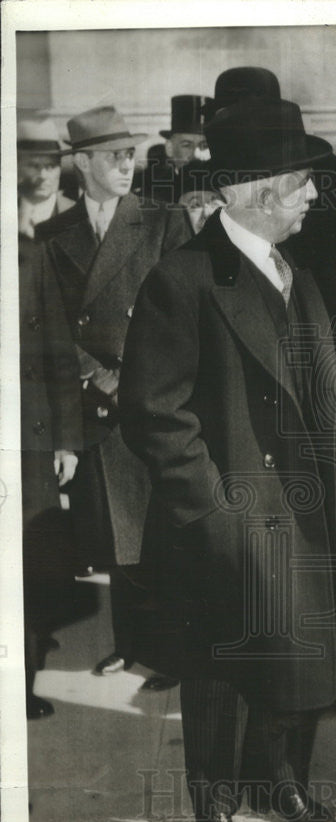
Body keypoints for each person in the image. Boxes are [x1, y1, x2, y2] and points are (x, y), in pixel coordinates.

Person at [120, 93, 336, 822]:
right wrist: (211, 513)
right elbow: (153, 413)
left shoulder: (296, 276)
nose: (315, 194)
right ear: (258, 190)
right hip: (226, 511)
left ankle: (280, 782)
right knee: (217, 671)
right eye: (303, 181)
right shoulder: (183, 280)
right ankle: (213, 808)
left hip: (302, 509)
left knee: (295, 656)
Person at [35, 105, 191, 690]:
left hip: (154, 397)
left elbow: (182, 313)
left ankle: (172, 652)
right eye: (113, 156)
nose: (127, 165)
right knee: (120, 537)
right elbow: (45, 325)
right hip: (99, 405)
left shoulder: (163, 221)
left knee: (166, 531)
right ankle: (130, 646)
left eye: (130, 155)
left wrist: (137, 378)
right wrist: (96, 377)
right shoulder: (53, 237)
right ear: (81, 164)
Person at [19, 234, 82, 718]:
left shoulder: (30, 253)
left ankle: (20, 681)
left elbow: (59, 348)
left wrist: (66, 438)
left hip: (27, 437)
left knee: (26, 563)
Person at [137, 95, 208, 202]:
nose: (196, 154)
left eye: (204, 146)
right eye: (187, 145)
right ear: (170, 148)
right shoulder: (151, 196)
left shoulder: (225, 189)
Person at [17, 113, 75, 238]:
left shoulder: (78, 216)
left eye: (50, 167)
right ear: (16, 167)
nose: (43, 175)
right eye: (34, 166)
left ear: (60, 169)